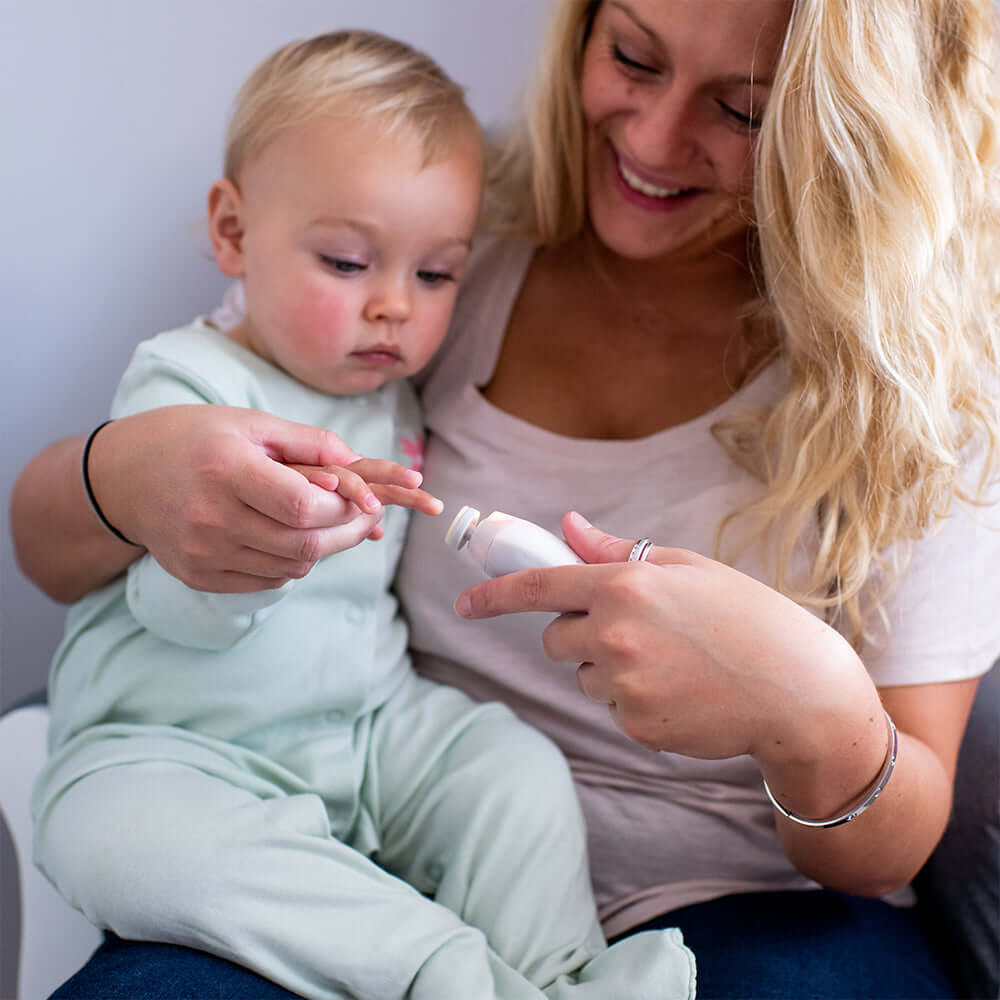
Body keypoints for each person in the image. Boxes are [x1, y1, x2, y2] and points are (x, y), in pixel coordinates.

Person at [11, 0, 1000, 997]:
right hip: (357, 850)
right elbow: (53, 544)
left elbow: (886, 851)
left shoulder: (922, 383)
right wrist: (124, 478)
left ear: (847, 126)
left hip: (733, 898)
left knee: (507, 768)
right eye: (631, 58)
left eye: (741, 111)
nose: (652, 140)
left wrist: (805, 704)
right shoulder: (448, 227)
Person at [24, 28, 695, 1000]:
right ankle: (453, 975)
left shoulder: (388, 396)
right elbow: (177, 610)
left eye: (434, 275)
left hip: (369, 730)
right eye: (346, 262)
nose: (394, 308)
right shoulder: (188, 382)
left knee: (508, 768)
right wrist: (267, 538)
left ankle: (565, 971)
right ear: (233, 233)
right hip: (177, 749)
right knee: (124, 844)